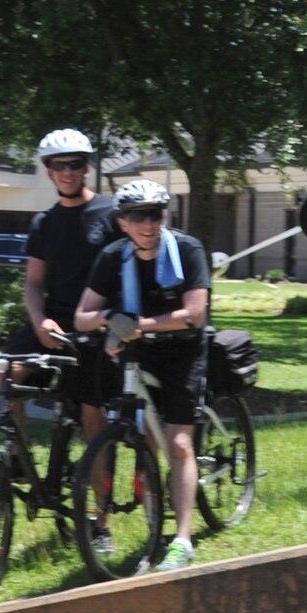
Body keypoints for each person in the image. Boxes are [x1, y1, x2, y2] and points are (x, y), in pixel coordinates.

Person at [75, 179, 210, 572]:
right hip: (140, 352)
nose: (148, 224)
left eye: (155, 214)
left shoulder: (187, 249)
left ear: (164, 216)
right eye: (137, 216)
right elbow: (82, 316)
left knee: (179, 443)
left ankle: (182, 539)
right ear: (123, 222)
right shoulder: (113, 257)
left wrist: (138, 325)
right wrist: (112, 320)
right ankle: (154, 524)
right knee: (144, 438)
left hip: (184, 351)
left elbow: (194, 314)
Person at [0, 128, 118, 445]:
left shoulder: (114, 216)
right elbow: (34, 283)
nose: (67, 172)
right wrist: (39, 322)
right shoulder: (44, 223)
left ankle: (100, 497)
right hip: (53, 322)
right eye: (59, 165)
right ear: (49, 171)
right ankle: (16, 457)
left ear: (86, 167)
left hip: (95, 327)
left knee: (93, 418)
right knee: (3, 374)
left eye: (75, 164)